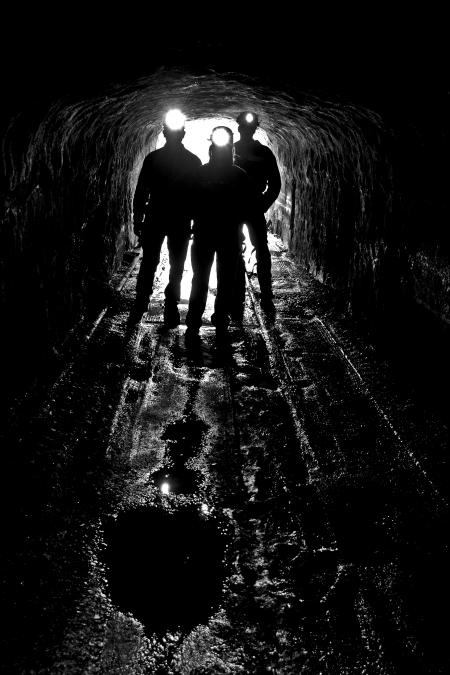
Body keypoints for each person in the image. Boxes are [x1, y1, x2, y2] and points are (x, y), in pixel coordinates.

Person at [185, 126, 257, 344]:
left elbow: (189, 202)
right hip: (224, 235)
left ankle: (195, 319)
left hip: (209, 234)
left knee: (204, 278)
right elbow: (248, 207)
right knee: (222, 279)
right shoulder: (238, 175)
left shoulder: (202, 173)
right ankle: (218, 318)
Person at [130, 109, 202, 326]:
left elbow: (141, 191)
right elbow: (197, 196)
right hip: (179, 218)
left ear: (164, 133)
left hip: (156, 216)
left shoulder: (153, 159)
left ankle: (142, 299)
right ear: (182, 135)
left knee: (149, 260)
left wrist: (138, 218)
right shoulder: (193, 161)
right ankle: (171, 303)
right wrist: (195, 222)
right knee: (176, 264)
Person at [233, 111, 281, 320]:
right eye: (244, 127)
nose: (246, 130)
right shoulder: (228, 148)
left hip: (253, 205)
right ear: (240, 128)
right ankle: (236, 292)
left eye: (248, 128)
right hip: (234, 206)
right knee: (233, 250)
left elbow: (275, 183)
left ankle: (266, 293)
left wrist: (263, 203)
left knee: (261, 249)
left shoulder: (263, 152)